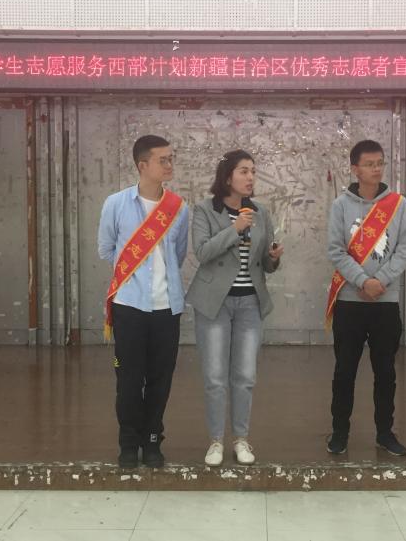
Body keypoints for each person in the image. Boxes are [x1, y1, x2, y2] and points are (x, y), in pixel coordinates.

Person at [97, 135, 190, 469]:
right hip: (129, 306)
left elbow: (178, 254)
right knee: (129, 379)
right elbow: (106, 249)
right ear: (142, 165)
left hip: (167, 308)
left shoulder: (179, 208)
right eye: (163, 159)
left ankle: (152, 440)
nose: (169, 164)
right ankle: (128, 442)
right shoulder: (116, 204)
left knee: (160, 379)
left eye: (171, 158)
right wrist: (133, 275)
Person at [187, 150, 283, 466]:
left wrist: (274, 258)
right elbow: (202, 252)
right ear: (227, 177)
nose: (250, 177)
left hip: (250, 303)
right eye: (244, 171)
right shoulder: (205, 210)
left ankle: (241, 439)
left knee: (245, 376)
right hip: (214, 302)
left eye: (253, 171)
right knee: (215, 376)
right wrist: (235, 229)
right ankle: (215, 441)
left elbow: (264, 264)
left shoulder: (260, 212)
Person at [325, 139, 406, 457]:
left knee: (385, 372)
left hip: (385, 303)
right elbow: (336, 250)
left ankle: (385, 433)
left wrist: (381, 281)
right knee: (344, 371)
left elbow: (404, 250)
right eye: (369, 164)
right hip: (350, 301)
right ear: (355, 169)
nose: (376, 169)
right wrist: (363, 281)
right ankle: (339, 432)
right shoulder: (340, 206)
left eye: (380, 163)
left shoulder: (399, 205)